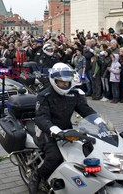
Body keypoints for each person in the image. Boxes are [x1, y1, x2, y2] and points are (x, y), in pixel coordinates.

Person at [29, 63, 99, 194]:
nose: (65, 85)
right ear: (54, 80)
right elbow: (41, 118)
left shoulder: (73, 94)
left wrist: (100, 122)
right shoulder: (45, 95)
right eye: (61, 82)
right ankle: (36, 176)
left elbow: (85, 110)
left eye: (67, 82)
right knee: (55, 157)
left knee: (84, 152)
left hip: (67, 132)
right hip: (46, 132)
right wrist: (54, 130)